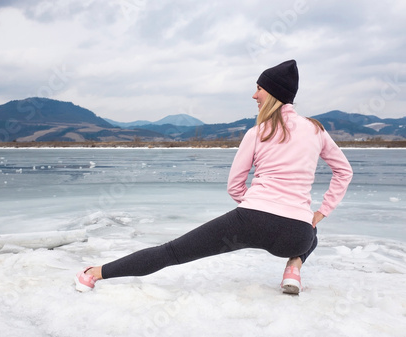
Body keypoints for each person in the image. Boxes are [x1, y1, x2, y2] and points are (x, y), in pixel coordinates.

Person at [74, 60, 353, 294]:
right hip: (296, 236)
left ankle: (94, 274)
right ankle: (293, 269)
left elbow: (234, 185)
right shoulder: (316, 130)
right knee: (311, 231)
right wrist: (321, 212)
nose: (254, 95)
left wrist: (257, 203)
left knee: (172, 252)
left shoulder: (257, 133)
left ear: (272, 92)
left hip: (250, 221)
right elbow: (344, 171)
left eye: (258, 89)